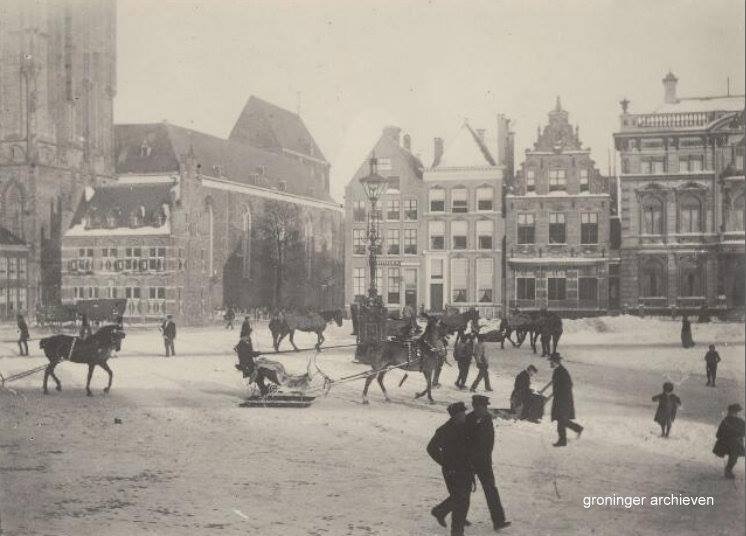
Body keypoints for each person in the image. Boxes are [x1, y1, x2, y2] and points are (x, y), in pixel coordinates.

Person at [465, 395, 511, 532]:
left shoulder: (487, 419)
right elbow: (464, 441)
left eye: (485, 407)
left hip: (484, 462)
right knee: (464, 490)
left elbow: (490, 441)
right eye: (481, 407)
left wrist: (486, 457)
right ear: (475, 407)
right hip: (470, 461)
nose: (484, 409)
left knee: (491, 489)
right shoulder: (468, 420)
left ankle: (498, 521)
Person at [427, 402, 473, 536]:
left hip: (465, 469)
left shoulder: (465, 427)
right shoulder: (444, 430)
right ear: (455, 416)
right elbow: (431, 448)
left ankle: (440, 511)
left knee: (462, 498)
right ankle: (457, 531)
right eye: (462, 413)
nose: (465, 415)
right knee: (460, 499)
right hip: (452, 471)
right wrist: (445, 463)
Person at [549, 353, 583, 447]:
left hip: (564, 400)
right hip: (561, 399)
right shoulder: (558, 370)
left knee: (561, 420)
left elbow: (568, 385)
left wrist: (560, 394)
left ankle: (563, 440)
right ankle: (577, 429)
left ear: (555, 361)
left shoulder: (562, 371)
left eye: (551, 361)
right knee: (562, 420)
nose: (550, 363)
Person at [713, 403, 745, 479]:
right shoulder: (741, 422)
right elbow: (743, 434)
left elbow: (718, 434)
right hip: (736, 444)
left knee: (733, 457)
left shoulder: (725, 421)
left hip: (726, 443)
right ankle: (728, 470)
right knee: (734, 457)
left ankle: (728, 470)